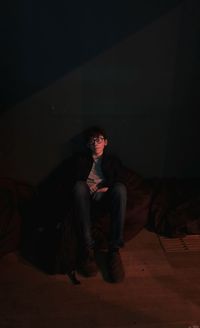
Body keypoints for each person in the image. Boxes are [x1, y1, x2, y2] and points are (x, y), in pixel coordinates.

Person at [71, 126, 127, 279]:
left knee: (120, 189)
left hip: (105, 196)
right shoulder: (80, 159)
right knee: (78, 186)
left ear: (106, 142)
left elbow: (121, 178)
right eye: (93, 140)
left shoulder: (112, 160)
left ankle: (114, 250)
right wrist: (88, 186)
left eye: (99, 139)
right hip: (85, 196)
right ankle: (87, 249)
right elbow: (73, 178)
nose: (96, 143)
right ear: (88, 145)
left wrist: (105, 188)